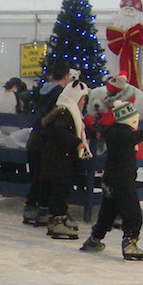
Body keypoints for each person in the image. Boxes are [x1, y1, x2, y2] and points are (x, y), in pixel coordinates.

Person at [81, 101, 143, 260]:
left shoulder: (110, 131)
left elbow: (100, 127)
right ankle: (130, 243)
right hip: (123, 180)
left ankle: (94, 238)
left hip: (109, 178)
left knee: (107, 212)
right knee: (132, 213)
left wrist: (95, 123)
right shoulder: (126, 134)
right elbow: (138, 135)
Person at [32, 77, 91, 240]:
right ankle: (57, 219)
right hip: (58, 160)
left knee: (63, 189)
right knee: (59, 189)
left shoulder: (70, 113)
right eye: (83, 98)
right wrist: (77, 142)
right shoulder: (65, 113)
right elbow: (60, 131)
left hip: (62, 159)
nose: (84, 102)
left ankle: (60, 216)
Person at [21, 62, 71, 226]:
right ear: (66, 76)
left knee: (36, 174)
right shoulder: (59, 94)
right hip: (45, 139)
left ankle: (33, 207)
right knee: (43, 176)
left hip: (35, 136)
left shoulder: (42, 90)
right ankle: (38, 207)